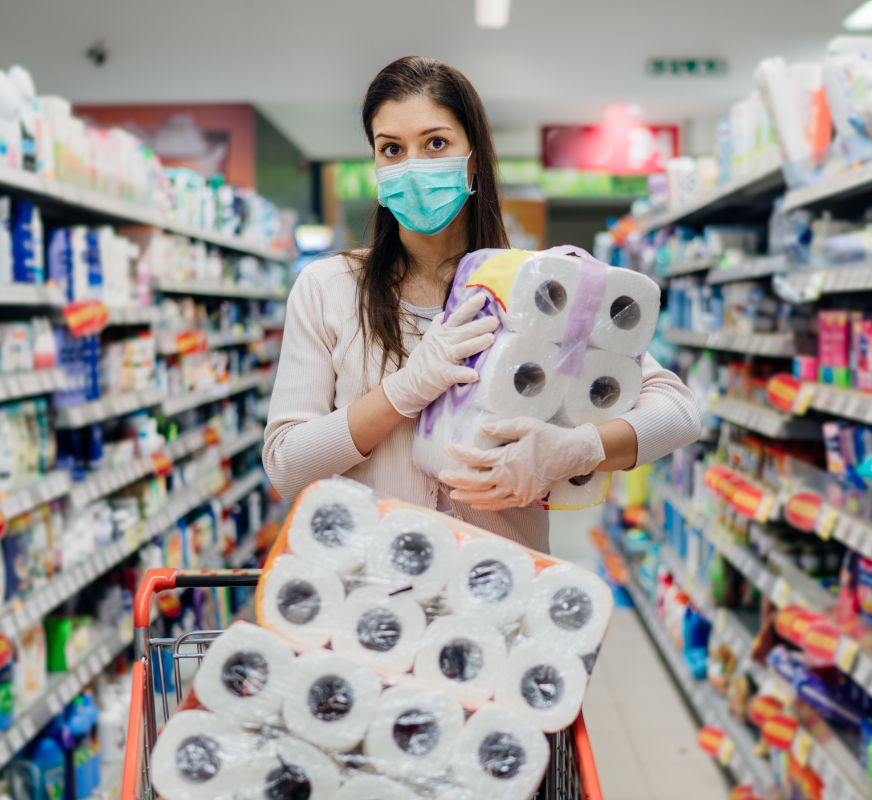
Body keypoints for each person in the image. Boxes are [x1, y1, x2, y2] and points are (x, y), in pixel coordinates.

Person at [263, 56, 699, 552]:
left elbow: (679, 412)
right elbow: (285, 465)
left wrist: (575, 450)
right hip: (374, 601)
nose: (413, 166)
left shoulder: (542, 286)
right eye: (391, 149)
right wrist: (402, 392)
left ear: (474, 158)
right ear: (376, 165)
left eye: (436, 143)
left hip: (502, 594)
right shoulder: (329, 286)